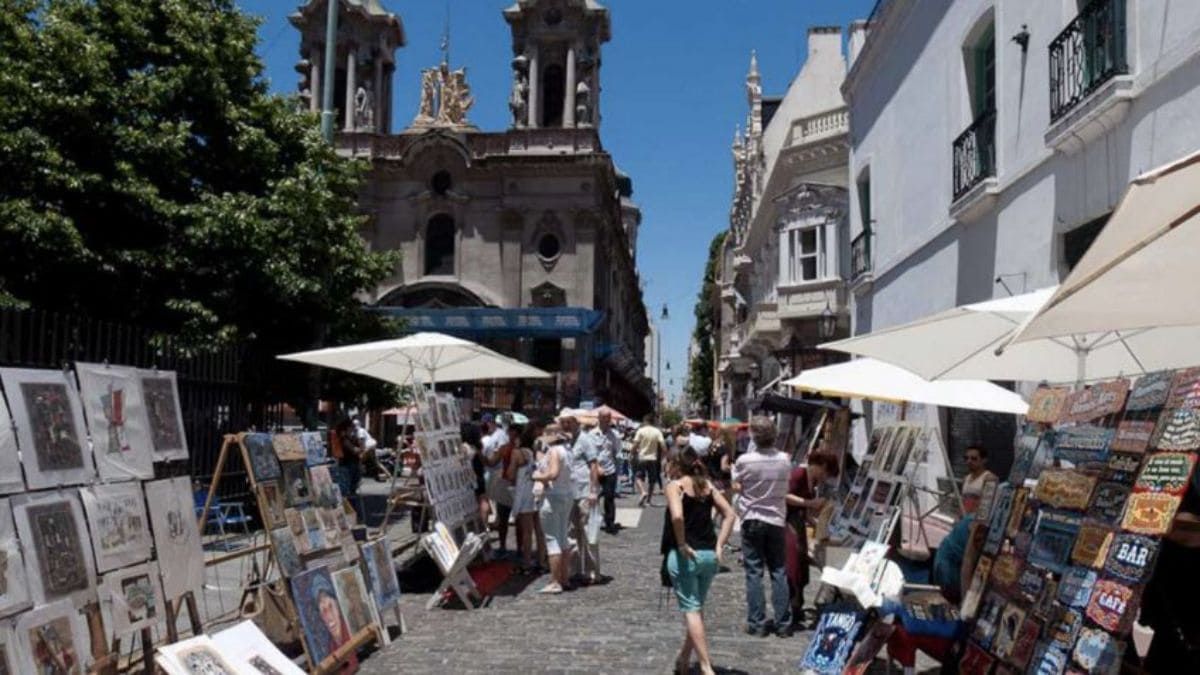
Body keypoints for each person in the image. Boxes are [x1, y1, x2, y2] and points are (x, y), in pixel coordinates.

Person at [662, 448, 735, 675]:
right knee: (696, 609)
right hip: (709, 556)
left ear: (675, 464)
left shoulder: (676, 486)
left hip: (686, 556)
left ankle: (705, 667)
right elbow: (730, 514)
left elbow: (677, 516)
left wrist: (682, 543)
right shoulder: (707, 486)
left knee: (692, 611)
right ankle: (684, 660)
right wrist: (720, 545)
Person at [733, 415, 794, 637]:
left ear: (753, 436)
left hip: (751, 518)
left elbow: (737, 485)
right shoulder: (785, 460)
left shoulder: (744, 461)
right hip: (776, 519)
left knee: (754, 572)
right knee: (778, 570)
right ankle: (783, 623)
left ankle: (757, 623)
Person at [785, 450, 839, 628]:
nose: (825, 478)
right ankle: (788, 609)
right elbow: (786, 496)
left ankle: (796, 607)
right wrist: (809, 504)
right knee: (792, 565)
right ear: (821, 466)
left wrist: (816, 523)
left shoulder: (812, 480)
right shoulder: (798, 474)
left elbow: (803, 509)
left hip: (799, 523)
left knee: (801, 566)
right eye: (826, 473)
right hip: (787, 523)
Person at [532, 425, 575, 594]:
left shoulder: (555, 451)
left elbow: (553, 473)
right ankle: (564, 577)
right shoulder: (567, 450)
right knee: (563, 537)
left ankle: (555, 581)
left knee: (552, 540)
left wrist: (536, 476)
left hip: (553, 496)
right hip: (566, 495)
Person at [562, 414, 602, 582]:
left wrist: (593, 490)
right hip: (570, 492)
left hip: (585, 491)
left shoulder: (586, 439)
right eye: (564, 422)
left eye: (568, 422)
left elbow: (594, 465)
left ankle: (592, 571)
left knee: (588, 532)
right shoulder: (566, 441)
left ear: (576, 423)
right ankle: (575, 569)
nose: (566, 425)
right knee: (572, 531)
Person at [483, 424, 518, 554]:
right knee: (508, 518)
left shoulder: (508, 448)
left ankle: (504, 547)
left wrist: (481, 456)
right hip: (513, 485)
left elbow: (491, 462)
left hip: (508, 484)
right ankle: (509, 548)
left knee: (504, 517)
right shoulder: (516, 448)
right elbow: (492, 461)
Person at [510, 425, 539, 573]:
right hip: (534, 492)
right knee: (537, 529)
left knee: (526, 530)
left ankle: (527, 562)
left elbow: (510, 474)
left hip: (523, 493)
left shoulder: (517, 453)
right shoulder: (533, 452)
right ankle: (542, 559)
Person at [314, 575, 358, 672]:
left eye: (331, 607)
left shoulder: (349, 633)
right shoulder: (329, 647)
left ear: (338, 607)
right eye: (324, 611)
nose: (329, 616)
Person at [931, 513, 977, 604]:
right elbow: (967, 564)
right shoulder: (976, 524)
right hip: (949, 571)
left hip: (944, 561)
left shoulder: (975, 519)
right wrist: (965, 603)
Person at [591, 409, 623, 534]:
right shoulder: (592, 434)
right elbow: (589, 453)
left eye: (608, 418)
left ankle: (610, 522)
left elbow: (618, 451)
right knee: (594, 496)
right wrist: (597, 467)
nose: (606, 420)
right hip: (595, 469)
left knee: (609, 496)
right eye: (604, 417)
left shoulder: (614, 435)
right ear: (599, 418)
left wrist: (618, 467)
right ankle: (593, 520)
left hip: (610, 469)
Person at [633, 414, 667, 507]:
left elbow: (635, 444)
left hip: (642, 457)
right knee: (652, 480)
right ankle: (648, 500)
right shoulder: (657, 432)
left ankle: (643, 491)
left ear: (645, 421)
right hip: (653, 458)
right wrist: (664, 457)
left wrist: (632, 454)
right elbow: (663, 446)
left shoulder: (641, 431)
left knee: (638, 477)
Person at [461, 422, 490, 527]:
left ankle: (475, 526)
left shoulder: (464, 447)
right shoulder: (478, 447)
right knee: (483, 500)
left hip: (468, 478)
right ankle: (485, 525)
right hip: (479, 475)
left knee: (471, 503)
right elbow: (484, 462)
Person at [960, 446, 998, 514]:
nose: (969, 461)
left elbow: (986, 508)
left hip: (976, 522)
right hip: (964, 519)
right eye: (966, 458)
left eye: (974, 458)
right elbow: (962, 501)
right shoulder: (966, 478)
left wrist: (976, 524)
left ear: (984, 460)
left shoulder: (989, 479)